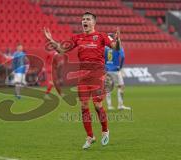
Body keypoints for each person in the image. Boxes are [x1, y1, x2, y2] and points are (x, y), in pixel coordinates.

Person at [44, 12, 121, 149]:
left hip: (97, 74)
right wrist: (52, 41)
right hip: (83, 76)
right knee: (84, 106)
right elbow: (62, 50)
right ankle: (90, 136)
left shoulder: (102, 36)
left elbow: (115, 47)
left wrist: (118, 41)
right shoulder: (77, 38)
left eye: (88, 19)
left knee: (97, 106)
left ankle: (105, 131)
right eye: (83, 19)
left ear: (94, 22)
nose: (84, 21)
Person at [105, 34, 131, 110]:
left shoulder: (105, 47)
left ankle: (109, 106)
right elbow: (122, 56)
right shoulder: (117, 46)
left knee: (108, 88)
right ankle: (120, 105)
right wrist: (120, 66)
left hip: (107, 70)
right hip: (115, 70)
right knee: (121, 86)